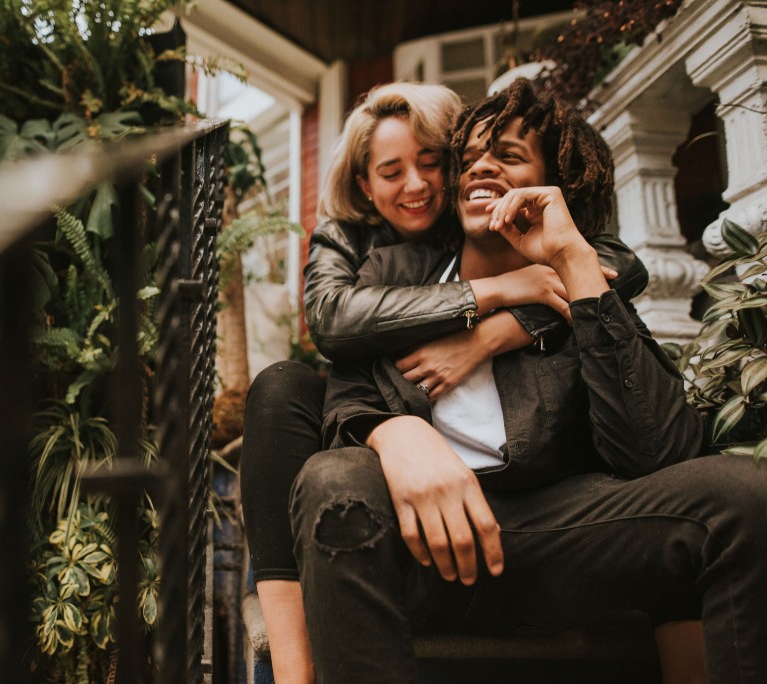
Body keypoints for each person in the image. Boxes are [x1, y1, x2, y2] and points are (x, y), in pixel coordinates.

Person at [290, 78, 764, 683]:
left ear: (554, 187)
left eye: (509, 155)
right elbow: (348, 393)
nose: (482, 165)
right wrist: (394, 430)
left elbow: (658, 453)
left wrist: (570, 261)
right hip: (419, 546)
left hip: (555, 536)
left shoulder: (583, 281)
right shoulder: (393, 271)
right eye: (471, 157)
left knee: (745, 495)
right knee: (333, 477)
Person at [240, 81, 648, 683]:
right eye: (391, 170)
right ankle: (292, 669)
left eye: (431, 162)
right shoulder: (348, 237)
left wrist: (498, 332)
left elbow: (619, 263)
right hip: (371, 422)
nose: (416, 185)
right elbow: (332, 319)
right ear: (364, 186)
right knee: (279, 389)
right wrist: (499, 291)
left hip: (502, 464)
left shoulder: (483, 214)